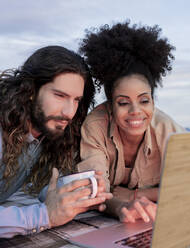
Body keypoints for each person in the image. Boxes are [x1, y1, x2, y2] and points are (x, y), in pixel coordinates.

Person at [77, 21, 185, 223]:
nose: (136, 112)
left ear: (153, 101)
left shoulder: (167, 129)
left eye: (144, 100)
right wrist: (121, 207)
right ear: (111, 105)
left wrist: (135, 197)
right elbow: (95, 191)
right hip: (114, 219)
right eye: (124, 102)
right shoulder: (95, 126)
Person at [0, 45, 112, 238]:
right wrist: (45, 216)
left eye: (77, 100)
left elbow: (23, 195)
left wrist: (73, 194)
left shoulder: (44, 136)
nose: (69, 112)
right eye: (60, 96)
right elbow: (40, 213)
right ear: (31, 90)